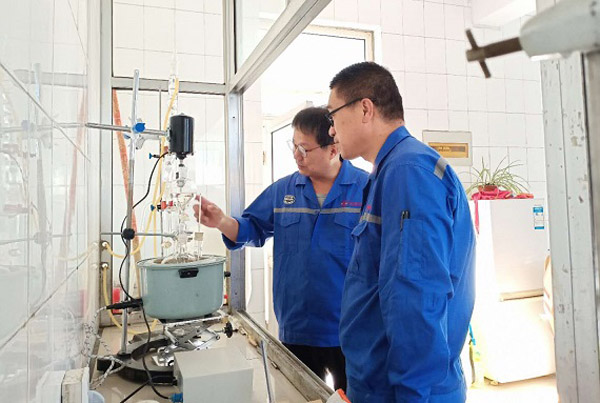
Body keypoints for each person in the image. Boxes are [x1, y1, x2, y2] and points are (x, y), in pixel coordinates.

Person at [326, 61, 476, 402]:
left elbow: (416, 297)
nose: (331, 130)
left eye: (332, 115)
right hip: (381, 384)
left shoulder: (408, 171)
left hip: (405, 391)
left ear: (365, 109)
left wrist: (412, 394)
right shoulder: (391, 170)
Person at [199, 107, 368, 391]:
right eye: (294, 146)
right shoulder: (284, 191)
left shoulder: (364, 188)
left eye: (304, 149)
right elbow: (252, 228)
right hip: (297, 328)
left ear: (333, 148)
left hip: (350, 331)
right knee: (295, 396)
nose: (296, 155)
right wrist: (222, 222)